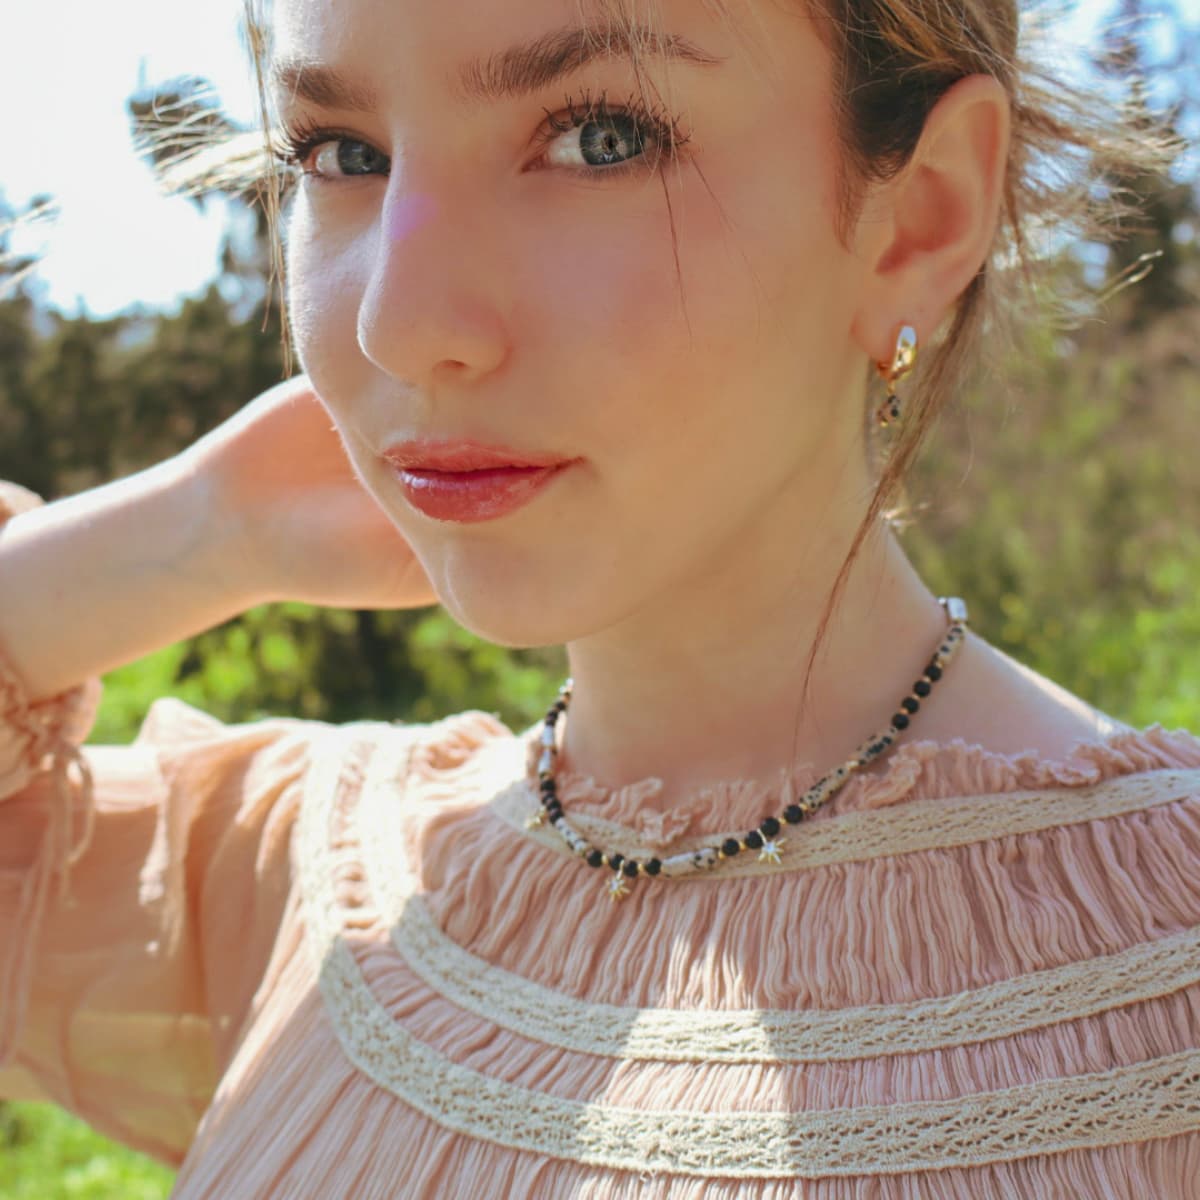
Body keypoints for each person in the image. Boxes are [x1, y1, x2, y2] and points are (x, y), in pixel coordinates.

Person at [2, 0, 1198, 1194]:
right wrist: (196, 533)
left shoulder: (1166, 973)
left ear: (923, 213)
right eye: (342, 155)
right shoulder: (308, 886)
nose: (400, 323)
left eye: (600, 139)